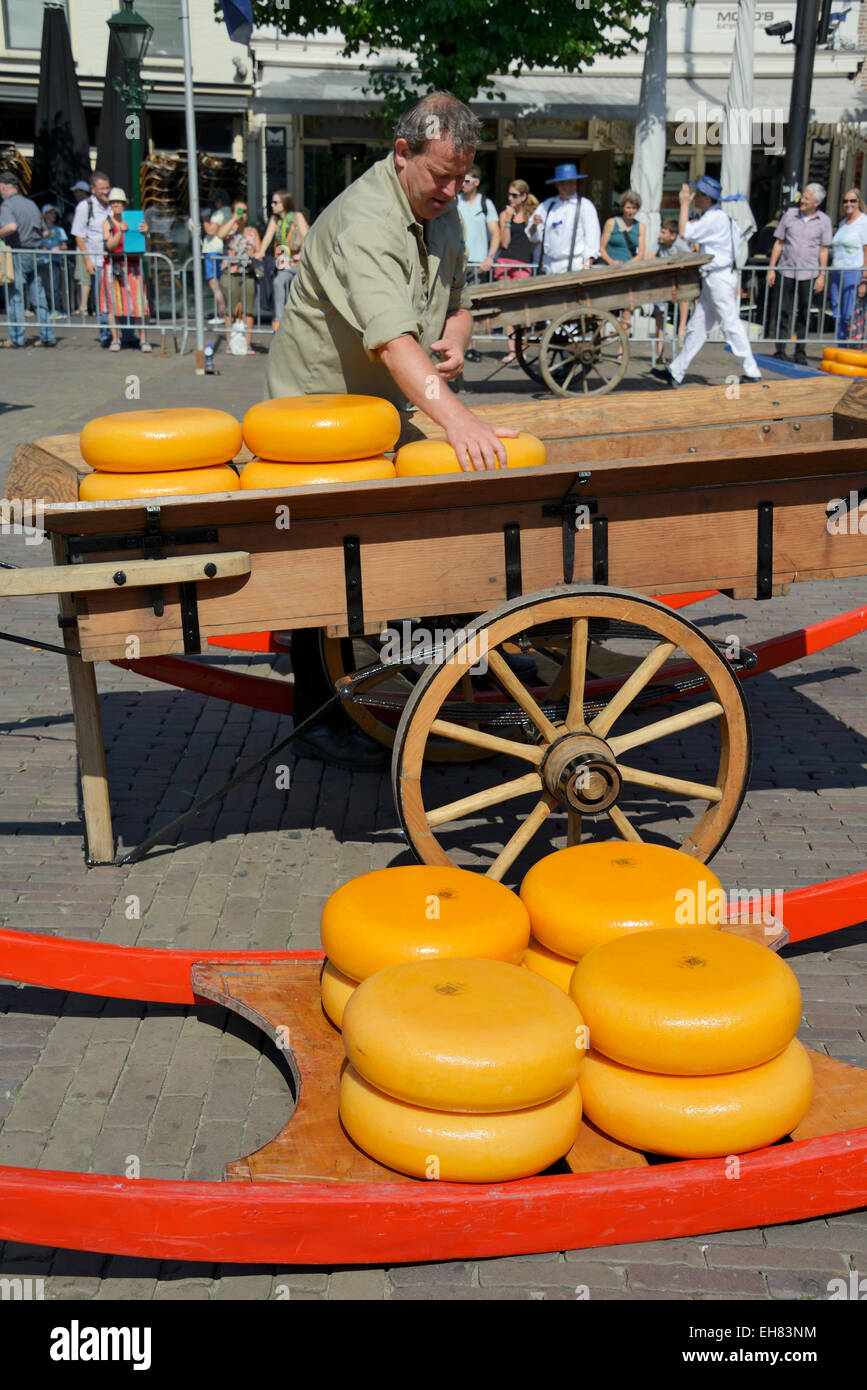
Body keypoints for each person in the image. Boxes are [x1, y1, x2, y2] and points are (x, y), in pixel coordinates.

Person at [265, 90, 519, 768]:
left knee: (418, 531)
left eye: (463, 178)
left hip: (389, 406)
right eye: (441, 175)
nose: (452, 190)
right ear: (402, 153)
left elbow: (456, 303)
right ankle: (317, 720)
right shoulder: (365, 220)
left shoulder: (442, 210)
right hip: (317, 411)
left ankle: (428, 664)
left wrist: (459, 338)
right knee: (324, 562)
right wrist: (459, 417)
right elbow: (391, 341)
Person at [648, 176, 761, 388]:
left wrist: (683, 204)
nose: (695, 197)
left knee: (730, 324)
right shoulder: (720, 217)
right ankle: (676, 371)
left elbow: (685, 233)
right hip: (716, 276)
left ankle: (752, 370)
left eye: (698, 195)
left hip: (718, 277)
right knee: (697, 327)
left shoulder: (715, 218)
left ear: (707, 198)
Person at [767, 183, 832, 364]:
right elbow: (779, 243)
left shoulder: (824, 221)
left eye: (807, 199)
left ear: (816, 203)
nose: (802, 201)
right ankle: (780, 349)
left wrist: (822, 275)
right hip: (786, 269)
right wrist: (772, 268)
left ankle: (800, 352)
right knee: (783, 310)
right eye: (803, 197)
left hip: (809, 273)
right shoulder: (789, 215)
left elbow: (824, 250)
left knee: (805, 311)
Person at [0, 171, 57, 348]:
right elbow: (45, 231)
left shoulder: (7, 206)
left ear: (3, 187)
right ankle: (47, 335)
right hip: (36, 252)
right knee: (38, 294)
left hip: (18, 252)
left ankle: (16, 338)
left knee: (14, 296)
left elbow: (11, 226)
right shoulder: (31, 203)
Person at [526, 163, 601, 274]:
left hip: (575, 266)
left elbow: (592, 239)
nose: (572, 187)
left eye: (574, 183)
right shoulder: (547, 205)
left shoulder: (585, 205)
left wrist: (587, 267)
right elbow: (532, 236)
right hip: (548, 266)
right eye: (568, 183)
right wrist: (534, 225)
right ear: (558, 185)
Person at [100, 189, 151, 352]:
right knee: (113, 305)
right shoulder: (107, 222)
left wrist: (147, 234)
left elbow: (146, 248)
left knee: (139, 304)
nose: (116, 204)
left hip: (133, 267)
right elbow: (110, 246)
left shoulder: (135, 221)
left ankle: (143, 340)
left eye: (119, 202)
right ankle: (115, 339)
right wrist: (120, 231)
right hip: (114, 267)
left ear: (124, 204)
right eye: (113, 201)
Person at [496, 178, 538, 363]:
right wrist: (506, 220)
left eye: (514, 195)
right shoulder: (505, 213)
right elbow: (504, 243)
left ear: (523, 196)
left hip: (523, 263)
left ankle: (522, 347)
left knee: (522, 309)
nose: (510, 198)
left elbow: (536, 240)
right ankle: (512, 350)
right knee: (507, 308)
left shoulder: (532, 214)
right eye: (509, 194)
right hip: (506, 261)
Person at [255, 190, 309, 330]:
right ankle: (278, 322)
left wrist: (301, 253)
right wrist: (260, 252)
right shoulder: (275, 220)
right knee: (278, 283)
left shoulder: (296, 216)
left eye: (275, 202)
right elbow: (267, 237)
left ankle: (300, 323)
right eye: (272, 202)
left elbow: (307, 237)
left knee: (298, 293)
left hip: (298, 265)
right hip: (284, 265)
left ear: (284, 203)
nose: (272, 205)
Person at [71, 171, 113, 346]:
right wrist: (87, 261)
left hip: (115, 259)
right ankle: (105, 334)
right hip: (98, 260)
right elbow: (79, 236)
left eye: (108, 188)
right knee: (102, 298)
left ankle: (119, 333)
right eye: (102, 189)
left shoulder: (114, 204)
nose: (106, 192)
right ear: (93, 189)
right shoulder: (84, 206)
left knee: (115, 298)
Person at [600, 190, 646, 340]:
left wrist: (626, 265)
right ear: (622, 207)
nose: (631, 211)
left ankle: (622, 349)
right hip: (610, 271)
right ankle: (598, 344)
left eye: (634, 208)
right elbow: (601, 248)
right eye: (628, 207)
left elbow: (641, 254)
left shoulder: (641, 226)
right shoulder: (611, 223)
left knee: (627, 312)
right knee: (603, 311)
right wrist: (611, 262)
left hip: (628, 272)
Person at [217, 199, 261, 352]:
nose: (243, 214)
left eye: (245, 211)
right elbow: (220, 235)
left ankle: (247, 344)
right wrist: (234, 219)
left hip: (247, 274)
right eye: (240, 211)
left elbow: (259, 253)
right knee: (231, 309)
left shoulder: (252, 231)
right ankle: (230, 344)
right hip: (230, 273)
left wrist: (253, 253)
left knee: (248, 309)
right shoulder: (229, 229)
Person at [828, 188, 867, 344]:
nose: (848, 204)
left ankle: (850, 347)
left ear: (859, 203)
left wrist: (864, 279)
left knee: (849, 313)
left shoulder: (864, 222)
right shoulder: (843, 222)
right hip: (837, 271)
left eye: (852, 201)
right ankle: (840, 344)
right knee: (837, 311)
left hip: (854, 272)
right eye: (845, 201)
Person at [648, 217, 691, 359]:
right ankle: (659, 349)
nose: (660, 235)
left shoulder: (680, 244)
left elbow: (690, 260)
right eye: (661, 231)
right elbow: (649, 257)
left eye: (664, 232)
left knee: (684, 296)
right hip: (662, 282)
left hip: (677, 281)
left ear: (673, 235)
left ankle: (682, 327)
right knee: (659, 313)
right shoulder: (658, 242)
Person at [202, 188, 231, 325]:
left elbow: (210, 230)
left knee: (214, 283)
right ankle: (223, 313)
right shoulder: (229, 213)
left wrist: (205, 220)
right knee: (219, 283)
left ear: (219, 202)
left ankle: (222, 313)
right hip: (219, 250)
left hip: (213, 250)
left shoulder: (219, 213)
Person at [39, 203, 68, 317]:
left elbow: (65, 246)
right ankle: (47, 309)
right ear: (44, 215)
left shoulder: (59, 229)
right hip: (42, 261)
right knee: (44, 288)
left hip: (54, 261)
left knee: (54, 287)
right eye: (50, 213)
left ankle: (58, 309)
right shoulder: (39, 230)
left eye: (54, 213)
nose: (53, 215)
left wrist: (59, 248)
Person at [68, 179, 92, 315]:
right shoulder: (90, 205)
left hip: (85, 245)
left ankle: (84, 307)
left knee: (85, 277)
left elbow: (77, 232)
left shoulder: (83, 206)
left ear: (82, 192)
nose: (75, 194)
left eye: (76, 191)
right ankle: (86, 306)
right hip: (88, 245)